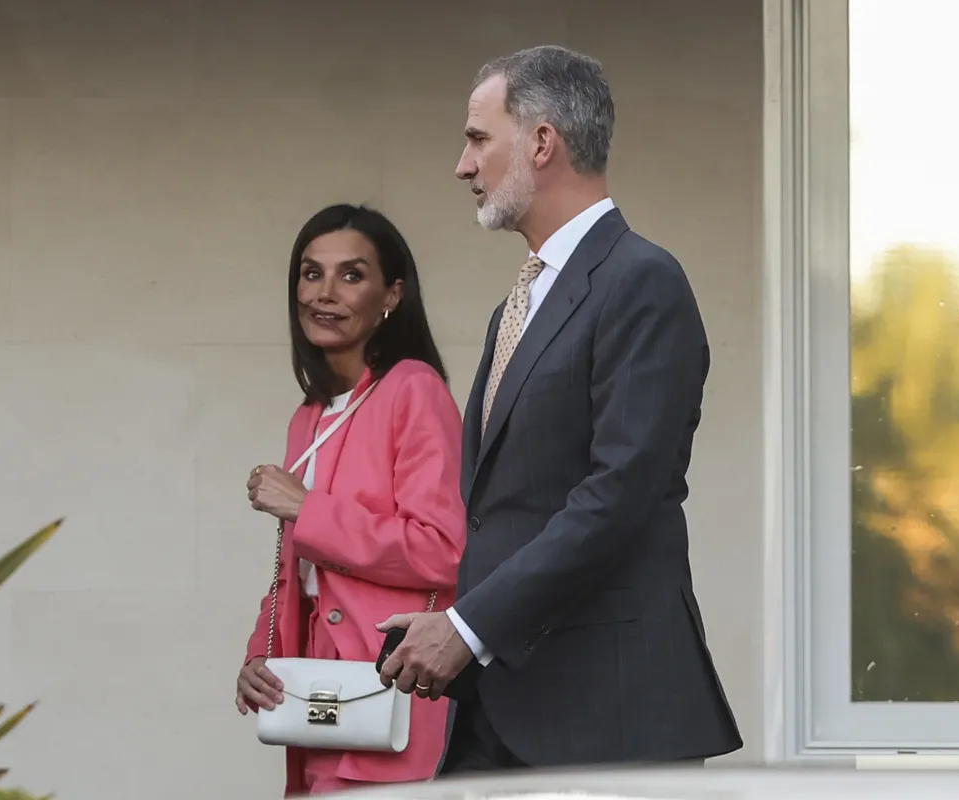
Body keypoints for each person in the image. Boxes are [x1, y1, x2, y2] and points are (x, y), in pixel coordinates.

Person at [377, 45, 743, 773]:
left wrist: (467, 626)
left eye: (479, 138)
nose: (462, 164)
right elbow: (507, 512)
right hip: (500, 707)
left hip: (605, 721)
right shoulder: (515, 305)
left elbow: (618, 496)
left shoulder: (643, 281)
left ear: (542, 143)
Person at [236, 204, 467, 796]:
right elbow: (298, 574)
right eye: (311, 274)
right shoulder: (308, 417)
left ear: (391, 295)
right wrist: (262, 655)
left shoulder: (414, 390)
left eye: (351, 275)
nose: (325, 293)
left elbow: (442, 549)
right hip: (313, 691)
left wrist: (306, 507)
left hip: (390, 682)